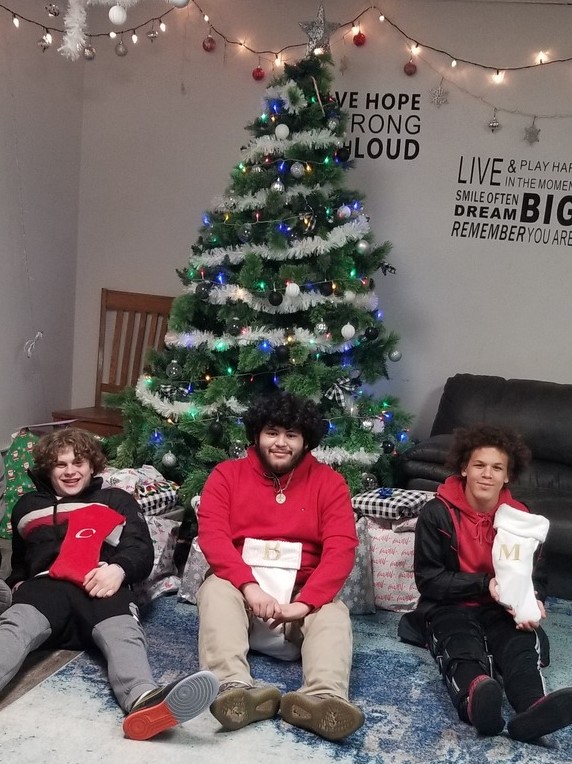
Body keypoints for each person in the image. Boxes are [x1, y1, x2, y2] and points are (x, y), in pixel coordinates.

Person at [0, 428, 219, 739]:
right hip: (45, 590)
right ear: (48, 468)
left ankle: (144, 701)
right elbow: (22, 559)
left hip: (100, 584)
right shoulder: (26, 507)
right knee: (13, 627)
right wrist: (18, 582)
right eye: (61, 465)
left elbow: (141, 548)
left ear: (93, 466)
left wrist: (118, 570)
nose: (71, 471)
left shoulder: (115, 500)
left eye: (79, 462)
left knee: (124, 632)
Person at [196, 391, 364, 741]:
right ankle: (232, 687)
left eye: (292, 435)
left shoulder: (330, 483)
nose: (281, 443)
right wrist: (249, 586)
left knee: (333, 613)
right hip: (242, 597)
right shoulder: (226, 476)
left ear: (306, 441)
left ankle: (322, 698)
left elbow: (341, 547)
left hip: (299, 601)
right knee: (214, 589)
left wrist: (305, 603)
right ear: (257, 434)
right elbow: (213, 536)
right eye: (272, 432)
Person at [398, 424, 572, 742]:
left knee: (520, 646)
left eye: (497, 468)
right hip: (450, 604)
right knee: (460, 645)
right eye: (479, 465)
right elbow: (429, 580)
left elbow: (537, 574)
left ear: (507, 475)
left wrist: (534, 597)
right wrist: (484, 585)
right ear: (464, 467)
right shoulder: (436, 513)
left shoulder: (523, 518)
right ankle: (477, 698)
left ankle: (534, 710)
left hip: (502, 607)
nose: (487, 474)